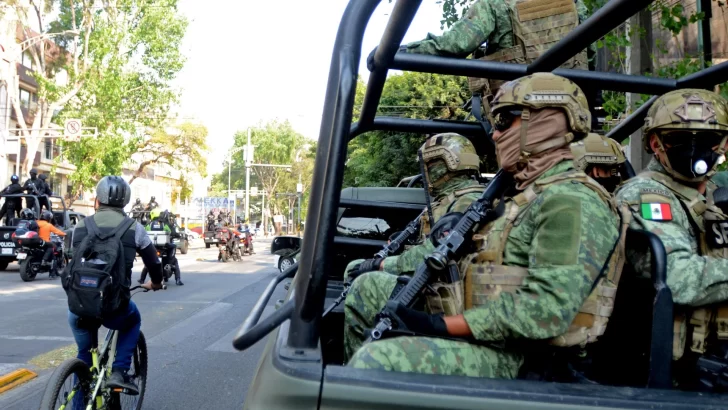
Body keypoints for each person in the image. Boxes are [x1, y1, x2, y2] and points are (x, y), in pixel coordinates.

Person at [345, 73, 620, 380]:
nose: (496, 134)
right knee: (365, 290)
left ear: (548, 121)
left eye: (505, 121)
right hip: (483, 329)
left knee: (378, 359)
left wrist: (438, 326)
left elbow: (546, 312)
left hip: (524, 358)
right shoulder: (528, 194)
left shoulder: (571, 201)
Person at [614, 89, 728, 391]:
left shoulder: (712, 194)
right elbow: (678, 277)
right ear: (656, 143)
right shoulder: (646, 195)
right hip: (667, 374)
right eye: (681, 138)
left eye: (709, 139)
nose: (697, 149)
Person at [397, 0, 593, 126]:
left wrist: (402, 51)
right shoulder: (574, 4)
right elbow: (589, 53)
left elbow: (456, 45)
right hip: (573, 111)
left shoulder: (494, 4)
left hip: (518, 116)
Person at [344, 133, 484, 284]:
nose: (425, 172)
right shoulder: (449, 200)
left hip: (442, 285)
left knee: (361, 281)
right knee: (355, 268)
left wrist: (381, 264)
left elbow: (433, 252)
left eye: (429, 166)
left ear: (448, 164)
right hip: (432, 277)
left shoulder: (467, 203)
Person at [68, 176, 163, 394]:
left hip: (79, 306)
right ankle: (119, 371)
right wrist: (156, 283)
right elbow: (154, 263)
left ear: (98, 199)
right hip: (114, 308)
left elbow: (70, 263)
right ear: (125, 202)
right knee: (133, 320)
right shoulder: (134, 228)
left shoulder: (80, 226)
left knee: (84, 356)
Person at [141, 209, 183, 285]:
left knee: (148, 262)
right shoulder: (164, 224)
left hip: (153, 246)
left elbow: (144, 233)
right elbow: (171, 232)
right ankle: (178, 279)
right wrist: (177, 235)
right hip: (165, 246)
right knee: (174, 261)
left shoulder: (149, 224)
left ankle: (141, 279)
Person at [37, 210, 65, 278]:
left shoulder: (36, 222)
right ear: (48, 218)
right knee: (53, 251)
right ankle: (50, 270)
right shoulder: (48, 225)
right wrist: (64, 234)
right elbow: (57, 231)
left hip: (36, 242)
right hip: (45, 242)